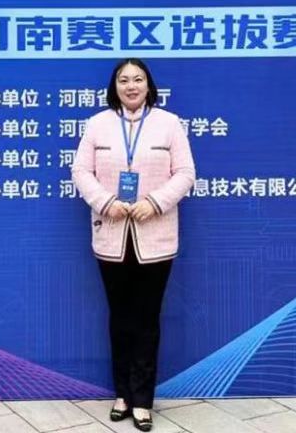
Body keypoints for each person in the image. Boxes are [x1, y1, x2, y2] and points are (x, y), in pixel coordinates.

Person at [71, 58, 196, 432]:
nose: (131, 86)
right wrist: (106, 202)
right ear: (115, 87)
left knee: (147, 318)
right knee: (120, 317)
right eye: (123, 80)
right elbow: (81, 171)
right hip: (111, 233)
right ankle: (122, 394)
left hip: (155, 236)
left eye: (138, 79)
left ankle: (143, 400)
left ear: (148, 85)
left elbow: (185, 173)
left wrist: (154, 202)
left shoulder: (169, 123)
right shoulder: (97, 124)